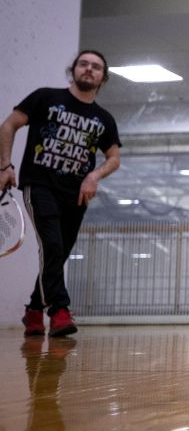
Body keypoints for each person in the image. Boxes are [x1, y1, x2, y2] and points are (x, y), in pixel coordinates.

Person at [0, 50, 121, 337]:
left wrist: (94, 175)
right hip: (39, 185)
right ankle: (59, 310)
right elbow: (9, 125)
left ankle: (33, 310)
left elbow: (114, 157)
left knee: (59, 253)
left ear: (103, 78)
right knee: (52, 246)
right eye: (83, 64)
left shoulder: (104, 118)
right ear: (74, 70)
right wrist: (5, 165)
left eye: (95, 67)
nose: (88, 70)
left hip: (77, 194)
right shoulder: (45, 97)